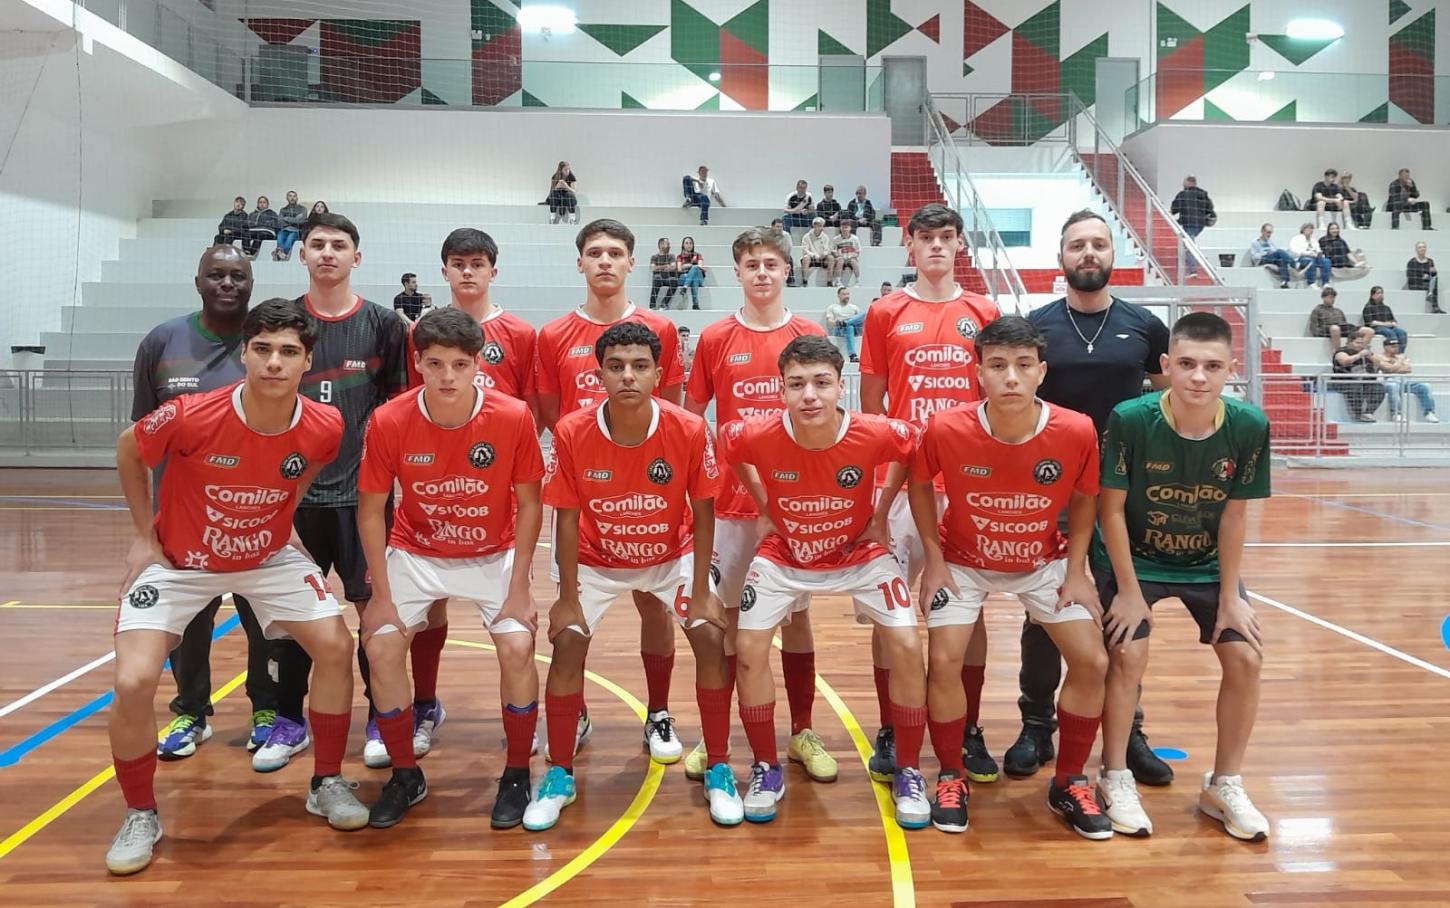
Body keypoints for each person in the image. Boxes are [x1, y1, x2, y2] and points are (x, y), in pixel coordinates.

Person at [106, 299, 364, 876]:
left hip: (267, 557)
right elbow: (128, 448)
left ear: (306, 362)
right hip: (180, 561)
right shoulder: (189, 414)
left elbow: (302, 471)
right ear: (244, 353)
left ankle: (325, 782)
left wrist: (286, 522)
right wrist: (143, 537)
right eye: (263, 349)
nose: (274, 362)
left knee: (335, 646)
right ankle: (141, 813)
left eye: (289, 352)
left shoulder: (325, 424)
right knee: (132, 680)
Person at [526, 321, 742, 830]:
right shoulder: (572, 431)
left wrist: (703, 589)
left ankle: (718, 766)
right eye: (616, 366)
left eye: (640, 366)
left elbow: (704, 511)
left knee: (710, 636)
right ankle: (559, 773)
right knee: (567, 641)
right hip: (596, 557)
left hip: (671, 554)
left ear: (657, 374)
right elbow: (566, 517)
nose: (628, 375)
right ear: (599, 373)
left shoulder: (689, 428)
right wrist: (567, 595)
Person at [719, 335, 932, 829]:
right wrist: (763, 506)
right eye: (796, 384)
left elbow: (911, 448)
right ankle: (766, 767)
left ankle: (908, 769)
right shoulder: (755, 432)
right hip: (786, 550)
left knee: (906, 644)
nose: (809, 395)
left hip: (858, 548)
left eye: (821, 382)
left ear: (841, 387)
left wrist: (881, 511)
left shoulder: (874, 431)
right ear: (781, 390)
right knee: (748, 648)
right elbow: (728, 446)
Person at [910, 315, 1110, 839]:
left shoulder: (1076, 429)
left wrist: (1077, 571)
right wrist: (933, 558)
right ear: (979, 373)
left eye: (1023, 365)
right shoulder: (945, 427)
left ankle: (1069, 781)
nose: (1011, 377)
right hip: (962, 562)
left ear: (1041, 371)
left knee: (1093, 661)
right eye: (997, 366)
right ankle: (951, 775)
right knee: (944, 660)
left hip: (1043, 564)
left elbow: (1086, 497)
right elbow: (920, 485)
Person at [357, 308, 545, 829]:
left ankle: (515, 774)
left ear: (478, 364)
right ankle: (405, 775)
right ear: (417, 362)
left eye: (460, 365)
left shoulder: (512, 416)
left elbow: (531, 503)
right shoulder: (389, 419)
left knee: (518, 645)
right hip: (416, 552)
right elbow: (371, 510)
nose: (447, 377)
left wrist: (521, 587)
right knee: (381, 646)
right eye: (435, 364)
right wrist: (381, 596)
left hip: (494, 552)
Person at [1096, 312, 1271, 842]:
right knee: (1128, 652)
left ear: (1230, 370)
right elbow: (1110, 510)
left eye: (1212, 366)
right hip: (1135, 560)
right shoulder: (1130, 418)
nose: (1198, 376)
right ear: (1166, 365)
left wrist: (1232, 595)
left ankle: (1224, 784)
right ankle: (1114, 776)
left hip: (1206, 565)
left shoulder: (1249, 426)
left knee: (1246, 657)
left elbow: (1235, 516)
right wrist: (1128, 591)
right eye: (1188, 363)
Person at [1015, 209, 1173, 788]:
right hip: (1051, 490)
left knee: (1124, 608)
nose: (1088, 253)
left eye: (1099, 245)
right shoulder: (1036, 326)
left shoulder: (1145, 327)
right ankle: (1036, 725)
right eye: (1077, 245)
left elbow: (1164, 405)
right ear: (1060, 257)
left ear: (1113, 255)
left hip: (1120, 493)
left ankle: (1127, 731)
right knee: (1045, 610)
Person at [252, 212, 410, 774]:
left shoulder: (384, 325)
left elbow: (397, 409)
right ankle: (288, 720)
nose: (326, 253)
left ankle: (380, 718)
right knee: (293, 616)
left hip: (364, 499)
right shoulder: (284, 324)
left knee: (374, 611)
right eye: (316, 243)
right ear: (302, 254)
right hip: (294, 499)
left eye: (338, 245)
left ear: (355, 257)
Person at [534, 219, 687, 763]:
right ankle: (572, 712)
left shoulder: (659, 327)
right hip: (583, 493)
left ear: (630, 263)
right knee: (573, 617)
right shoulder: (553, 334)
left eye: (615, 253)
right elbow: (550, 413)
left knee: (655, 608)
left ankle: (659, 712)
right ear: (580, 262)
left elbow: (670, 408)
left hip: (648, 490)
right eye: (594, 252)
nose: (605, 261)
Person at [859, 202, 1001, 786]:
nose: (937, 245)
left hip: (965, 483)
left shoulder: (984, 311)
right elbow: (872, 401)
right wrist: (879, 481)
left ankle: (966, 727)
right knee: (888, 610)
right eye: (926, 237)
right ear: (909, 245)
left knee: (969, 609)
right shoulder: (885, 311)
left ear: (960, 244)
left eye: (946, 236)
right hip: (899, 486)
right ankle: (892, 726)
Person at [682, 226, 830, 784]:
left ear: (787, 270)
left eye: (771, 263)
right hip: (729, 505)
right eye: (752, 264)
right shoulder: (716, 337)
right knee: (724, 618)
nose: (762, 273)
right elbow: (692, 418)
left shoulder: (809, 333)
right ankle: (716, 735)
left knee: (797, 616)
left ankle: (803, 731)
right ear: (738, 272)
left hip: (794, 504)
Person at [131, 245, 277, 761]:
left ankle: (267, 708)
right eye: (217, 275)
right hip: (183, 518)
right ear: (198, 282)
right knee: (190, 623)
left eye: (238, 276)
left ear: (251, 284)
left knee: (264, 618)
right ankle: (190, 713)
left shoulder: (266, 346)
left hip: (256, 513)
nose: (227, 284)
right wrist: (144, 531)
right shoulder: (162, 342)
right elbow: (139, 440)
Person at [1374, 338, 1438, 423]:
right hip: (1390, 380)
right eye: (1393, 346)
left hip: (1405, 380)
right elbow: (1388, 369)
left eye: (1397, 346)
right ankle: (1396, 413)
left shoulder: (1401, 356)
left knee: (1425, 386)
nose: (1396, 348)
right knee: (1393, 386)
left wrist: (1393, 366)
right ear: (1385, 347)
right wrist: (1400, 361)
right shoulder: (1379, 357)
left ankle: (1429, 412)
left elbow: (1408, 369)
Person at [1331, 332, 1386, 423]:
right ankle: (1358, 413)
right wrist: (1359, 355)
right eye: (1357, 343)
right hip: (1344, 381)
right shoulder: (1341, 351)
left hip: (1365, 380)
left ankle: (1368, 412)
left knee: (1379, 388)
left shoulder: (1367, 353)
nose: (1360, 345)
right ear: (1349, 342)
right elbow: (1345, 361)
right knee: (1355, 388)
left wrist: (1370, 356)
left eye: (1362, 343)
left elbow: (1378, 363)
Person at [1170, 176, 1215, 274]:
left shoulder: (1183, 194)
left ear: (1188, 183)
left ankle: (1192, 269)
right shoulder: (1203, 194)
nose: (1183, 184)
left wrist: (1174, 213)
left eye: (1184, 182)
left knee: (1189, 245)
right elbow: (1210, 208)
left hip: (1188, 222)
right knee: (1187, 243)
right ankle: (1182, 266)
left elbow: (1174, 209)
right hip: (1200, 224)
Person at [1307, 287, 1370, 352]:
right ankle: (1338, 352)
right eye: (1330, 297)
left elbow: (1344, 322)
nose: (1332, 299)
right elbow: (1314, 328)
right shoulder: (1317, 310)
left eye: (1334, 297)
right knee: (1335, 328)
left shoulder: (1338, 311)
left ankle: (1359, 351)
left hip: (1342, 329)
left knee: (1368, 331)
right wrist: (1319, 334)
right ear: (1323, 297)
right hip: (1327, 330)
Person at [1248, 223, 1298, 289]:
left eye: (1271, 233)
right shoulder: (1255, 242)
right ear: (1262, 231)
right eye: (1268, 232)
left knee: (1282, 260)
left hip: (1272, 258)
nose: (1269, 235)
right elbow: (1254, 256)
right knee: (1279, 251)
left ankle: (1284, 282)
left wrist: (1273, 253)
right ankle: (1294, 264)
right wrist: (1265, 253)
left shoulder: (1270, 242)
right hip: (1262, 259)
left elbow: (1275, 251)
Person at [1362, 285, 1408, 351]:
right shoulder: (1368, 307)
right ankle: (1392, 351)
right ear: (1373, 295)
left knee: (1402, 333)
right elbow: (1371, 323)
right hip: (1376, 328)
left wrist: (1393, 323)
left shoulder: (1386, 308)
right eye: (1378, 293)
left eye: (1382, 293)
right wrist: (1386, 324)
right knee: (1390, 333)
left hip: (1389, 327)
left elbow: (1393, 320)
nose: (1381, 295)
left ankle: (1399, 352)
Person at [825, 285, 863, 362]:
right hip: (839, 329)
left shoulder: (854, 307)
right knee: (849, 327)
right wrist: (837, 323)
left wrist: (847, 322)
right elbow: (830, 321)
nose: (846, 296)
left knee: (863, 314)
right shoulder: (832, 307)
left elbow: (860, 319)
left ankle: (846, 323)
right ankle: (852, 355)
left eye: (848, 294)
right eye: (844, 294)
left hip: (855, 329)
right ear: (839, 295)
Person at [1289, 223, 1332, 288]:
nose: (1310, 230)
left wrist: (1319, 253)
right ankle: (1311, 283)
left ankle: (1325, 283)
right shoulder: (1296, 239)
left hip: (1315, 257)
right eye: (1308, 228)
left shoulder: (1314, 240)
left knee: (1326, 261)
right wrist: (1308, 253)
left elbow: (1318, 250)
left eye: (1311, 228)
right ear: (1303, 230)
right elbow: (1293, 250)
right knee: (1310, 261)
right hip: (1301, 258)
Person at [798, 218, 835, 288]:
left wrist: (824, 254)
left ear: (822, 227)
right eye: (816, 225)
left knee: (831, 258)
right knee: (806, 258)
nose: (818, 227)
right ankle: (804, 281)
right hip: (812, 258)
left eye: (820, 225)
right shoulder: (806, 236)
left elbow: (827, 249)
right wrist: (814, 255)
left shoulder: (825, 237)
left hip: (822, 258)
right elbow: (805, 250)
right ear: (813, 226)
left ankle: (829, 282)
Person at [1407, 242, 1441, 313]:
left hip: (1427, 283)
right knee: (1432, 282)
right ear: (1416, 250)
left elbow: (1433, 274)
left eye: (1424, 247)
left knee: (1435, 278)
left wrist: (1431, 274)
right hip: (1416, 283)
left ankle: (1431, 294)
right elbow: (1410, 276)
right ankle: (1434, 304)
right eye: (1420, 247)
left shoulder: (1430, 261)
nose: (1422, 249)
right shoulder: (1412, 262)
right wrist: (1423, 276)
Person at [273, 191, 307, 261]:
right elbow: (280, 222)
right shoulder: (283, 210)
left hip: (296, 231)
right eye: (290, 196)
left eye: (294, 196)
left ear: (297, 198)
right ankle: (281, 253)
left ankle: (281, 254)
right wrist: (295, 219)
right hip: (284, 230)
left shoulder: (302, 209)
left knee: (290, 238)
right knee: (279, 236)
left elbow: (302, 221)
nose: (292, 198)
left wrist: (286, 218)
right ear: (287, 198)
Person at [649, 237, 681, 311]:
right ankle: (652, 305)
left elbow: (673, 267)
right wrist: (665, 266)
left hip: (668, 278)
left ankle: (664, 304)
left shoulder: (671, 256)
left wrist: (659, 267)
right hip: (658, 277)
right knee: (657, 278)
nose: (669, 246)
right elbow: (653, 268)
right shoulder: (654, 257)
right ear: (661, 245)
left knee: (674, 281)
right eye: (667, 244)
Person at [676, 236, 706, 310]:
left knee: (695, 270)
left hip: (699, 278)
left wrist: (687, 266)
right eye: (686, 243)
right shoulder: (680, 256)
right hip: (684, 277)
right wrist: (691, 264)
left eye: (690, 243)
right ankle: (695, 304)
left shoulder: (698, 255)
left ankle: (685, 287)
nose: (689, 245)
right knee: (693, 278)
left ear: (693, 245)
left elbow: (700, 266)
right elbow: (679, 269)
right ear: (683, 245)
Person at [831, 221, 862, 286]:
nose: (844, 229)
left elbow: (858, 251)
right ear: (840, 228)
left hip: (851, 257)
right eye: (843, 227)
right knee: (840, 260)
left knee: (854, 261)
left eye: (846, 227)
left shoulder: (855, 238)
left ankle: (858, 281)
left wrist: (853, 256)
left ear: (850, 228)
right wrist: (837, 255)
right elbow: (833, 250)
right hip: (840, 257)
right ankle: (838, 281)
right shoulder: (836, 239)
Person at [768, 218, 797, 286]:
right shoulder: (768, 235)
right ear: (773, 227)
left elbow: (789, 247)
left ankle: (790, 281)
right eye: (778, 227)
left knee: (789, 259)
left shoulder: (786, 235)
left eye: (781, 227)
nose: (780, 229)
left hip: (782, 254)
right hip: (770, 254)